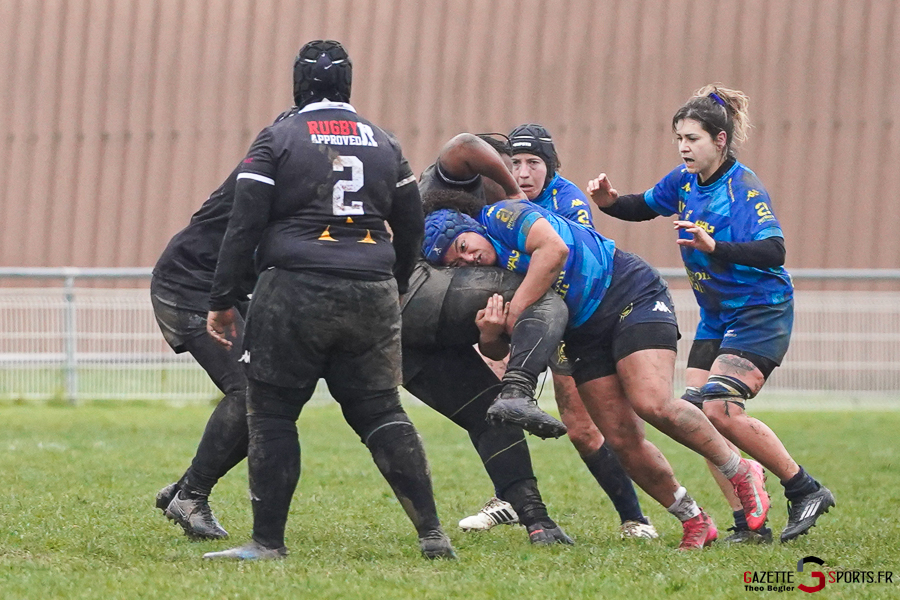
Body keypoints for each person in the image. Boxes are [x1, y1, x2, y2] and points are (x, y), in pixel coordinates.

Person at [201, 39, 454, 561]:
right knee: (382, 410)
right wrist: (397, 283)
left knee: (271, 413)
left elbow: (242, 223)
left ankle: (267, 542)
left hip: (294, 288)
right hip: (372, 289)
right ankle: (432, 533)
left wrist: (223, 298)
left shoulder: (278, 137)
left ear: (298, 83)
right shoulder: (386, 143)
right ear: (348, 84)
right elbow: (411, 223)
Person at [423, 195, 772, 550]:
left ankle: (741, 471)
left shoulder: (501, 214)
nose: (469, 258)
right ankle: (694, 519)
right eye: (458, 262)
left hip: (626, 292)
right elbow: (503, 349)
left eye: (464, 245)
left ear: (470, 229)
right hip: (582, 333)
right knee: (620, 439)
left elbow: (553, 249)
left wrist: (517, 309)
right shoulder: (484, 279)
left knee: (652, 402)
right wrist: (489, 333)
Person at [586, 84, 835, 543]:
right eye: (679, 137)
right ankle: (750, 523)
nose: (684, 146)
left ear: (720, 140)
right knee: (698, 415)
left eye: (693, 138)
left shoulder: (743, 188)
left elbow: (775, 250)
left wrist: (714, 245)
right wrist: (608, 202)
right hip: (717, 317)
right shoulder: (683, 181)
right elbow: (641, 206)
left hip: (761, 311)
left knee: (719, 407)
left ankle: (804, 488)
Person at [418, 133, 655, 539]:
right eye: (516, 165)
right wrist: (495, 330)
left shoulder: (567, 201)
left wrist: (516, 312)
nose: (524, 174)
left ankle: (634, 517)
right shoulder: (487, 219)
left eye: (533, 163)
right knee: (500, 395)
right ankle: (508, 496)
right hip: (528, 311)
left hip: (577, 317)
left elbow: (565, 264)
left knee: (582, 426)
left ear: (551, 167)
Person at [151, 107, 299, 541]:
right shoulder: (271, 172)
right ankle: (192, 493)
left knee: (272, 394)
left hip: (220, 288)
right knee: (252, 390)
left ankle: (186, 488)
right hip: (192, 286)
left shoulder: (284, 166)